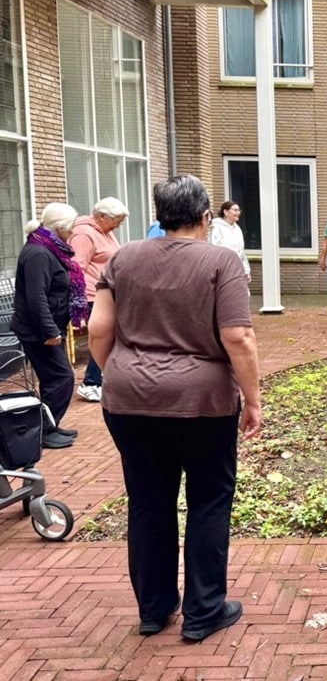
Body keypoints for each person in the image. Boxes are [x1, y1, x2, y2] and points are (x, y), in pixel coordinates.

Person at [88, 174, 262, 641]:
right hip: (201, 402)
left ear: (160, 215)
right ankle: (204, 611)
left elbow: (98, 330)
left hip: (127, 401)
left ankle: (154, 609)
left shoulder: (124, 259)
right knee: (208, 499)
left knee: (147, 500)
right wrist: (253, 399)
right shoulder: (220, 262)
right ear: (206, 216)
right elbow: (238, 336)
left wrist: (123, 372)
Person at [10, 202, 86, 449]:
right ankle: (42, 430)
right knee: (61, 378)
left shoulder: (48, 248)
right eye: (71, 227)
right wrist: (50, 331)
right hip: (38, 331)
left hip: (47, 328)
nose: (73, 232)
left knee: (54, 378)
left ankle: (49, 426)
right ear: (60, 228)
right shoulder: (39, 253)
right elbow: (36, 297)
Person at [69, 197, 128, 403]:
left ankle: (99, 378)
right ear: (101, 216)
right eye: (116, 221)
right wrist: (80, 300)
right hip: (92, 295)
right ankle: (90, 383)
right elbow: (76, 268)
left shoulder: (105, 231)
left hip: (107, 292)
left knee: (111, 335)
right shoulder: (84, 234)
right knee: (103, 335)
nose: (118, 226)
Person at [209, 201, 251, 284]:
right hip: (224, 271)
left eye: (239, 210)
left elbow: (241, 253)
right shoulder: (217, 228)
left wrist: (246, 271)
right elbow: (214, 251)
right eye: (235, 210)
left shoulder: (237, 229)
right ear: (225, 212)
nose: (238, 213)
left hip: (237, 270)